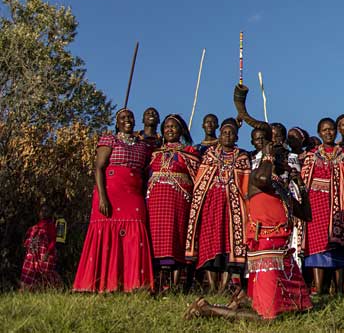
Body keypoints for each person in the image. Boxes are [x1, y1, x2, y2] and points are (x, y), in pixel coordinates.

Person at [185, 142, 312, 321]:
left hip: (283, 253)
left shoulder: (280, 187)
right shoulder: (257, 178)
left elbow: (306, 214)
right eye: (281, 156)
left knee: (301, 309)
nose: (286, 160)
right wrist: (267, 156)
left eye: (285, 156)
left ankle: (238, 303)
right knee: (268, 318)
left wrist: (300, 185)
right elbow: (263, 179)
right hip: (266, 251)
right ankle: (207, 310)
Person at [73, 108, 154, 293]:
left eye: (130, 117)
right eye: (123, 118)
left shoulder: (142, 145)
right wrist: (102, 197)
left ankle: (133, 284)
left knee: (135, 232)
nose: (127, 120)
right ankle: (99, 284)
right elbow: (99, 168)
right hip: (110, 194)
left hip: (133, 196)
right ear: (117, 123)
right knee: (106, 234)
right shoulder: (110, 140)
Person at [185, 117, 252, 293]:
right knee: (210, 243)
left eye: (231, 133)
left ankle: (224, 287)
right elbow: (201, 182)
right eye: (224, 133)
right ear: (219, 136)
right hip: (211, 207)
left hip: (233, 208)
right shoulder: (209, 155)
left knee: (228, 246)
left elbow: (245, 185)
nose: (228, 136)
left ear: (237, 137)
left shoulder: (243, 157)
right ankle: (212, 286)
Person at [299, 117, 344, 296]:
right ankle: (319, 289)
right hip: (316, 206)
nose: (328, 133)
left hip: (339, 205)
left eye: (331, 129)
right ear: (319, 133)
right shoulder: (310, 156)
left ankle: (339, 289)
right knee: (317, 247)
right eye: (324, 130)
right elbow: (304, 181)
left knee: (338, 246)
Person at [147, 114, 200, 291]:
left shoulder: (189, 153)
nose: (170, 130)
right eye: (167, 127)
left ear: (181, 130)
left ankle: (176, 286)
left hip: (178, 203)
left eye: (173, 127)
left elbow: (197, 179)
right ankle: (157, 284)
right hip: (155, 204)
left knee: (176, 240)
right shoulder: (153, 153)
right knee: (155, 242)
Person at [20, 204, 61, 291]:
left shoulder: (50, 226)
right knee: (30, 271)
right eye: (42, 211)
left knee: (45, 272)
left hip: (44, 253)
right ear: (39, 213)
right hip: (34, 254)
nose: (44, 213)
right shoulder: (36, 226)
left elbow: (53, 241)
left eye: (46, 211)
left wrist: (47, 253)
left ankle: (47, 290)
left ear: (50, 213)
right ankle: (28, 289)